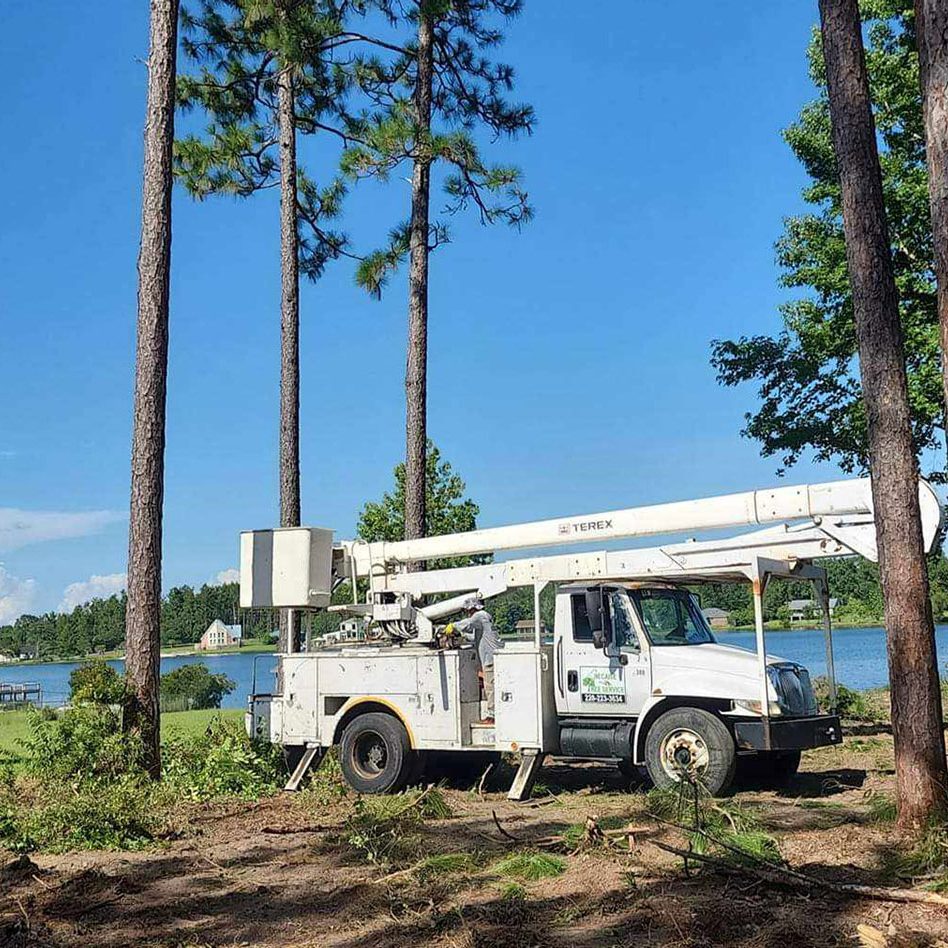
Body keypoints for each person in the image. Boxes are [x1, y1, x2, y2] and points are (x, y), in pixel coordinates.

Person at [450, 596, 501, 722]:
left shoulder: (480, 615)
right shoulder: (484, 619)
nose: (468, 613)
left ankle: (492, 715)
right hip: (490, 658)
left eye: (468, 610)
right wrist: (462, 635)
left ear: (472, 608)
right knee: (490, 686)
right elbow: (474, 637)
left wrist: (452, 626)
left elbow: (466, 623)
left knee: (490, 687)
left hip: (489, 659)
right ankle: (492, 713)